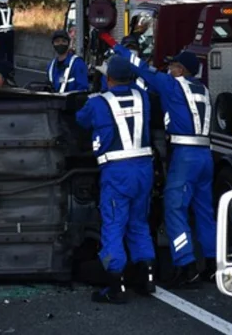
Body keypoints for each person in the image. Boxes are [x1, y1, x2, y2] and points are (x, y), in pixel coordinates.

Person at [101, 33, 216, 288]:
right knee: (205, 212)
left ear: (181, 70)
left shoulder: (173, 85)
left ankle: (185, 265)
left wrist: (114, 44)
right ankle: (211, 264)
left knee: (175, 210)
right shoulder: (204, 90)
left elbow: (141, 68)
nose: (169, 68)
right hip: (206, 156)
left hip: (184, 156)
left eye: (174, 65)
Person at [75, 56, 155, 304]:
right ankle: (147, 277)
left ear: (107, 78)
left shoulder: (99, 102)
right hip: (144, 168)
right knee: (139, 223)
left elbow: (81, 119)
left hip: (117, 171)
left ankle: (115, 285)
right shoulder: (143, 97)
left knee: (113, 225)